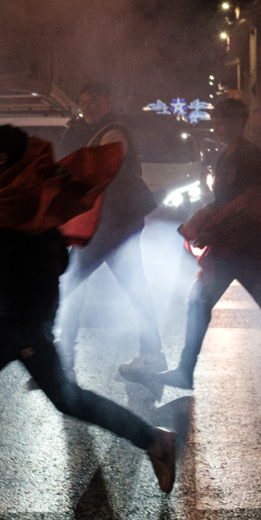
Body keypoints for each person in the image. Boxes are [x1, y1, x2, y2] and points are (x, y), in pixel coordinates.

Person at [0, 125, 176, 494]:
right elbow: (55, 257)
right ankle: (155, 442)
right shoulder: (25, 196)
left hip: (21, 319)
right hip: (25, 313)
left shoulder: (14, 202)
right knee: (64, 398)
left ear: (2, 157)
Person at [125, 98, 261, 392]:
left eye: (223, 121)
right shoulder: (228, 157)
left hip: (252, 249)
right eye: (216, 121)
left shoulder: (250, 157)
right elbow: (225, 201)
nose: (218, 126)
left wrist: (211, 227)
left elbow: (249, 204)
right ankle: (186, 371)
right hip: (227, 250)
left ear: (240, 123)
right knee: (199, 303)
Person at [53, 84, 165, 380]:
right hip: (109, 223)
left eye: (93, 102)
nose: (87, 107)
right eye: (83, 102)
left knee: (69, 282)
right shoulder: (98, 130)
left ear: (107, 101)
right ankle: (151, 353)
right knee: (126, 285)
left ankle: (61, 359)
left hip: (113, 224)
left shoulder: (114, 131)